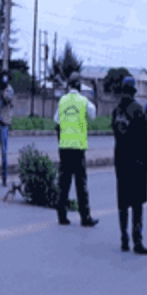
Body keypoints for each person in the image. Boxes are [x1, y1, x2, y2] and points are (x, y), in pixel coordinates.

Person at [111, 76, 147, 254]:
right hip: (136, 162)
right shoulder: (137, 110)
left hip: (121, 161)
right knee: (137, 203)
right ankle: (137, 240)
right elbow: (143, 138)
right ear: (134, 91)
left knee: (123, 202)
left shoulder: (115, 111)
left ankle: (124, 239)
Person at [53, 72, 99, 227]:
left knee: (63, 183)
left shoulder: (62, 101)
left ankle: (62, 216)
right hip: (78, 149)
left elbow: (56, 120)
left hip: (64, 147)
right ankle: (85, 217)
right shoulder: (84, 101)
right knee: (81, 184)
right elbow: (93, 114)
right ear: (79, 85)